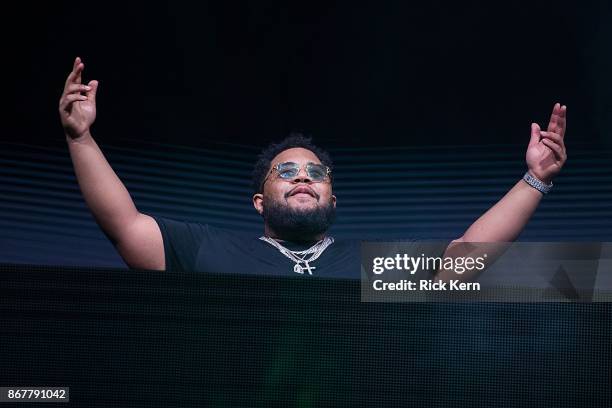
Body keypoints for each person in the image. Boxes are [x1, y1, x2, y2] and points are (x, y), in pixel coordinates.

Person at [59, 57, 568, 278]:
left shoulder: (372, 267)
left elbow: (464, 263)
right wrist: (80, 138)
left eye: (316, 173)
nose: (303, 176)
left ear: (333, 200)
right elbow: (125, 226)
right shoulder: (205, 249)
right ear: (259, 201)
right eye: (286, 172)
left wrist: (535, 180)